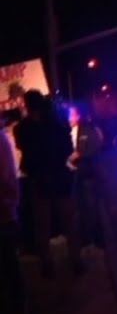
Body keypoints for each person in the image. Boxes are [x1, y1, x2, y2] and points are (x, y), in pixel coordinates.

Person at [14, 91, 83, 278]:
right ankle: (76, 260)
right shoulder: (56, 123)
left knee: (41, 224)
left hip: (38, 179)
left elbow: (22, 148)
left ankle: (46, 263)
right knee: (69, 221)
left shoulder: (22, 128)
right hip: (59, 176)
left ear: (27, 106)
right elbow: (68, 149)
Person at [0, 125, 30, 314]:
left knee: (9, 274)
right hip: (6, 215)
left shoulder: (1, 141)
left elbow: (6, 181)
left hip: (3, 217)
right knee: (10, 274)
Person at [67, 104, 104, 250]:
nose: (68, 118)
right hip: (70, 176)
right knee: (77, 208)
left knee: (91, 206)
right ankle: (84, 237)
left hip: (87, 174)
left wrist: (79, 154)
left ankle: (97, 238)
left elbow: (95, 147)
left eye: (71, 115)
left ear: (78, 116)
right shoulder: (63, 131)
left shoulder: (88, 130)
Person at [2, 109, 34, 253]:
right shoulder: (10, 135)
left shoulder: (7, 136)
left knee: (21, 215)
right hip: (19, 177)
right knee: (25, 214)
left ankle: (25, 244)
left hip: (15, 180)